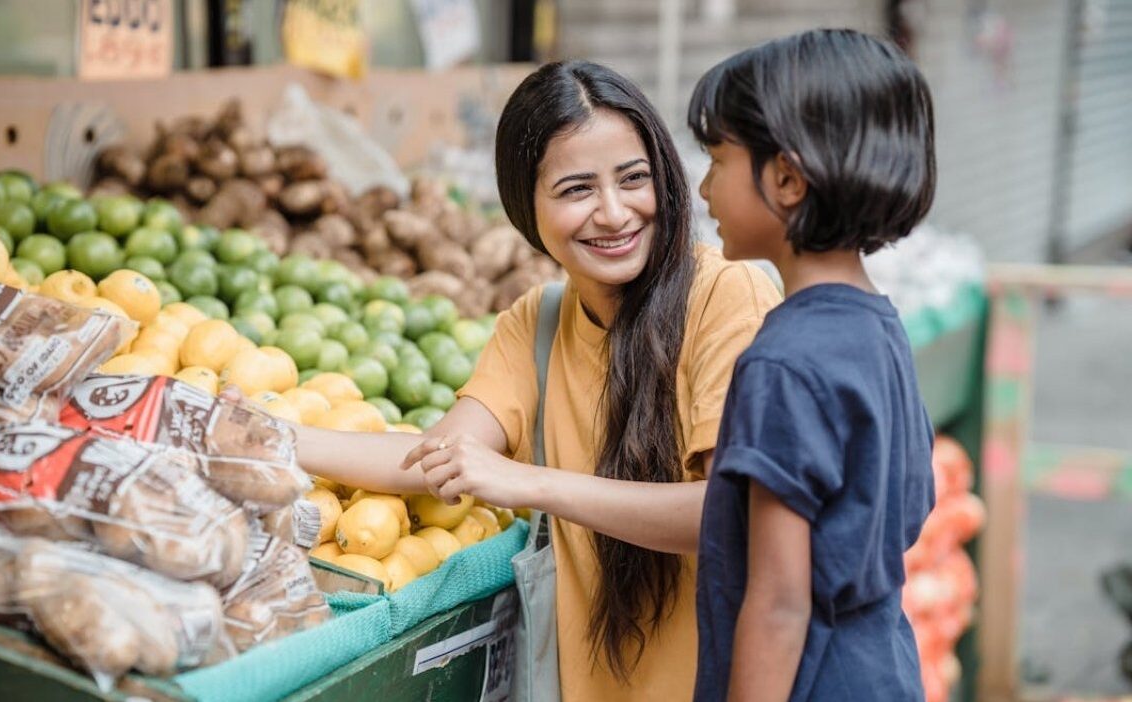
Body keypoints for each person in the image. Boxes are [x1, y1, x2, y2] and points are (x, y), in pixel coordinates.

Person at [295, 60, 780, 700]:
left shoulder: (727, 295)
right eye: (577, 189)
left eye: (634, 178)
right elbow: (432, 459)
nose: (615, 213)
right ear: (525, 205)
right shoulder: (538, 322)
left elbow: (731, 511)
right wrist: (269, 437)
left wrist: (532, 483)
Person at [687, 29, 938, 702]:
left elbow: (779, 605)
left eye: (717, 159)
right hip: (883, 670)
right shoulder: (878, 327)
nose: (704, 188)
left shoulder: (782, 362)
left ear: (788, 179)